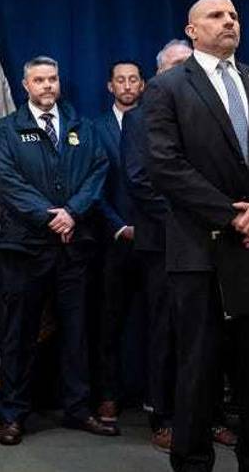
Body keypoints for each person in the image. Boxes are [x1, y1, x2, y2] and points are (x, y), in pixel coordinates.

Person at [142, 0, 249, 472]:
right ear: (192, 29)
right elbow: (164, 165)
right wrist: (232, 215)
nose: (229, 21)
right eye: (216, 15)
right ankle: (192, 461)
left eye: (233, 14)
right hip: (200, 253)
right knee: (199, 371)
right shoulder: (168, 87)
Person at [0, 55, 117, 446]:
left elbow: (98, 171)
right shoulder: (8, 129)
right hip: (25, 249)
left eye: (53, 79)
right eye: (39, 80)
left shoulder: (83, 127)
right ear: (25, 85)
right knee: (19, 334)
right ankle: (12, 415)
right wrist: (50, 217)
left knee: (77, 334)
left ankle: (78, 409)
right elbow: (6, 181)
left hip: (73, 248)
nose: (47, 86)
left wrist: (73, 213)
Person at [122, 39, 193, 452]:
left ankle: (206, 415)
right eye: (177, 64)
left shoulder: (207, 109)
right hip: (164, 240)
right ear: (161, 74)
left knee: (204, 333)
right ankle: (161, 416)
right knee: (165, 329)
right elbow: (139, 180)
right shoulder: (140, 117)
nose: (186, 69)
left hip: (210, 239)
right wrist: (193, 216)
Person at [92, 59, 144, 424]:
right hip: (111, 241)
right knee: (108, 323)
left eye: (133, 80)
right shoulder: (93, 129)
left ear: (143, 85)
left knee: (159, 324)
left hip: (158, 238)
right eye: (120, 80)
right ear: (110, 86)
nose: (127, 85)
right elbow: (92, 184)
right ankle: (108, 395)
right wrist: (118, 226)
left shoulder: (159, 124)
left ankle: (158, 399)